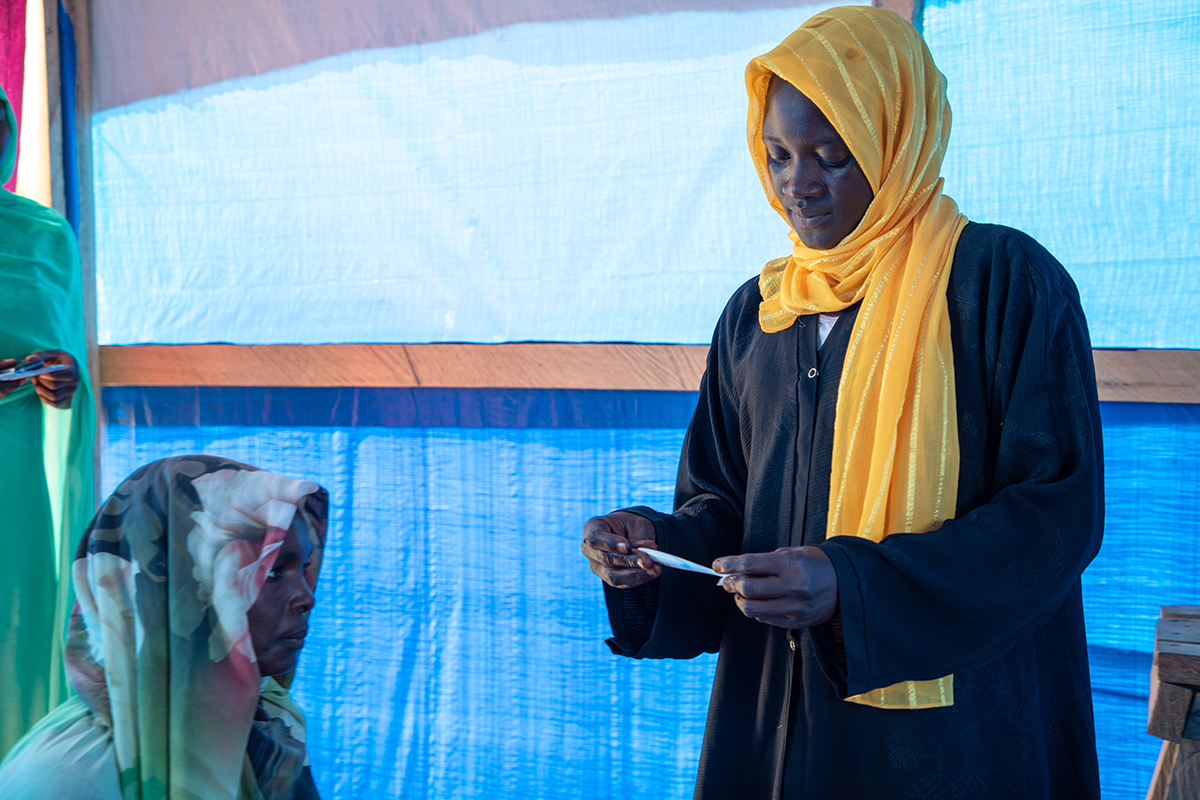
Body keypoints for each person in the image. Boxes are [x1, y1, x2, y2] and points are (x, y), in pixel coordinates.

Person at [581, 7, 1103, 798]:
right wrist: (653, 549)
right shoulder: (762, 313)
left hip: (950, 739)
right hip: (773, 723)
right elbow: (724, 506)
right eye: (778, 155)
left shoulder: (998, 282)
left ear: (897, 142)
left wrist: (850, 585)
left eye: (832, 156)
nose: (800, 184)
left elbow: (1054, 516)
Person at [0, 454, 328, 799]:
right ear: (180, 588)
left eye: (305, 568)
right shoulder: (67, 777)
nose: (306, 598)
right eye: (272, 571)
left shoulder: (268, 724)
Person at [0, 81, 95, 757]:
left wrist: (65, 381)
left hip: (15, 476)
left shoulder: (45, 235)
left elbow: (67, 355)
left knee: (16, 624)